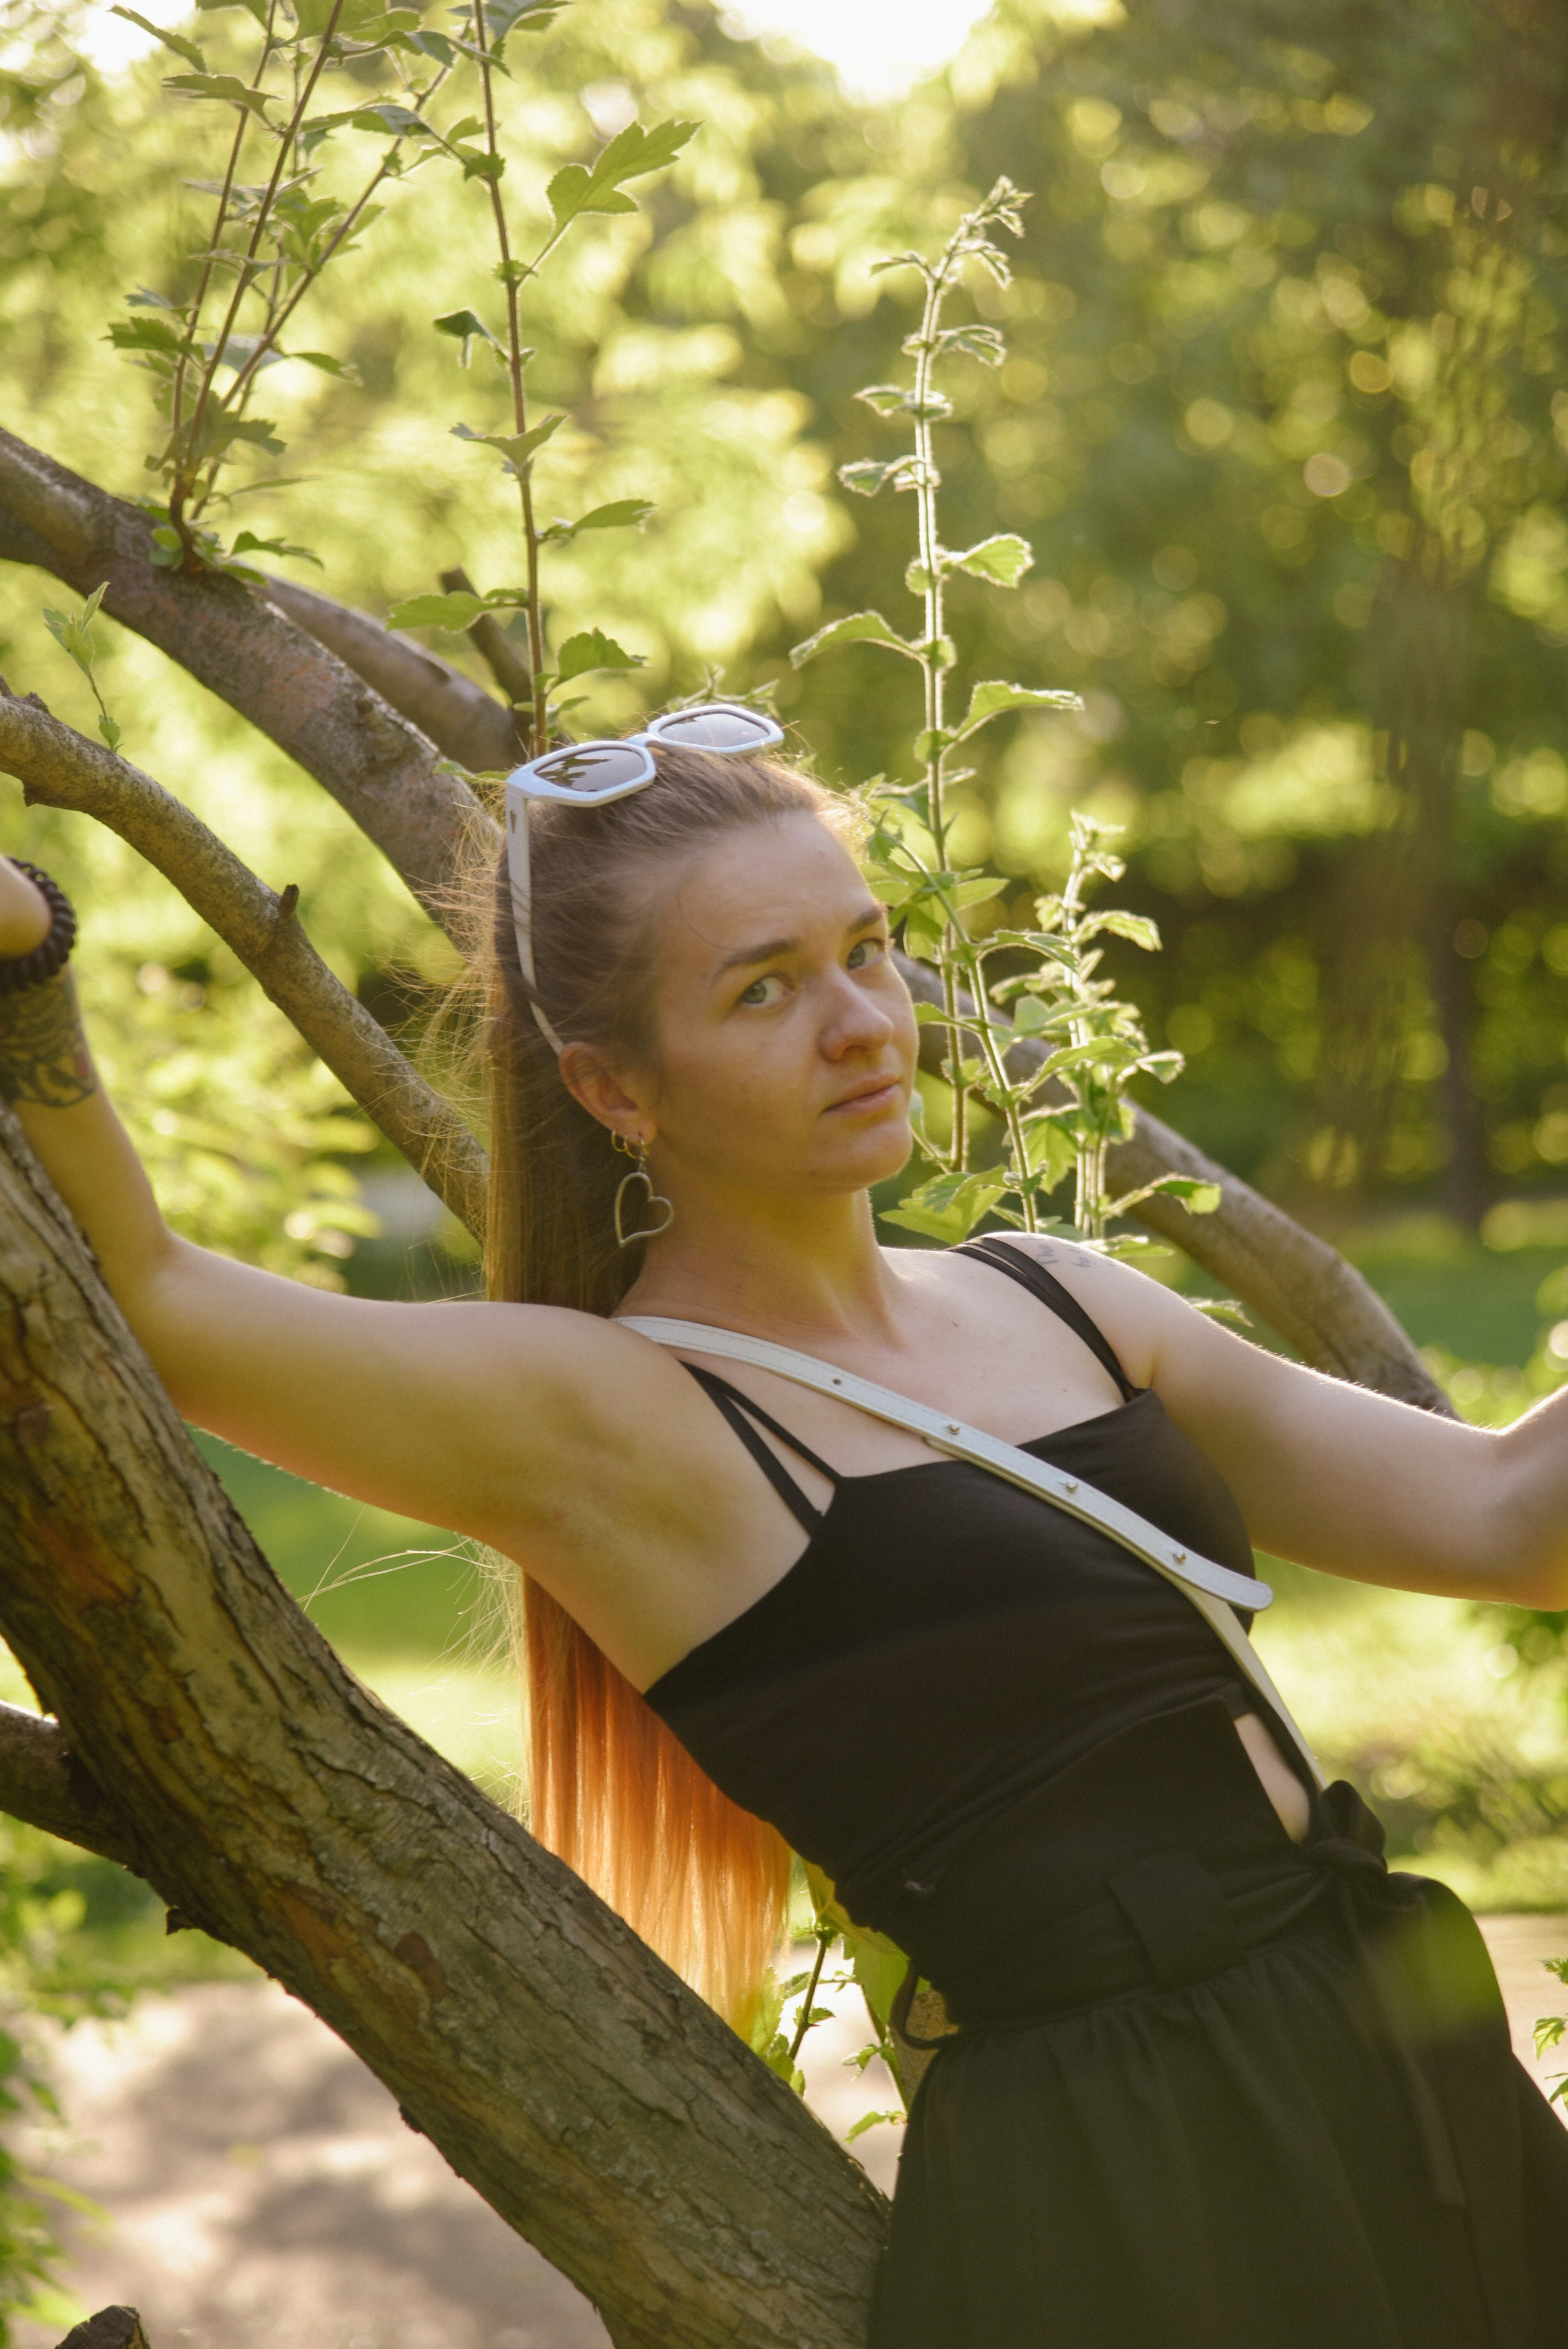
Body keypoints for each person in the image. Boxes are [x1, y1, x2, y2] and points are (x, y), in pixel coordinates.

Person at [2, 729, 1566, 2349]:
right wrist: (31, 944)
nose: (861, 1023)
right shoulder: (623, 1422)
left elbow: (1516, 1517)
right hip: (1129, 2159)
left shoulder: (1065, 1299)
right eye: (765, 989)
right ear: (614, 1087)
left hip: (1389, 2057)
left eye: (867, 951)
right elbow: (167, 1303)